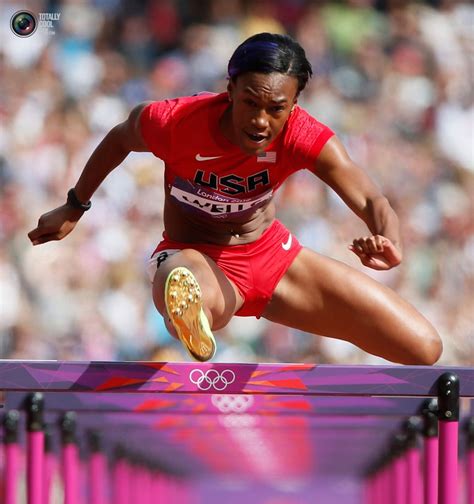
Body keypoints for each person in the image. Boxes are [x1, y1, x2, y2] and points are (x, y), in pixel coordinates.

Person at [28, 32, 442, 365]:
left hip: (273, 258)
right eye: (250, 102)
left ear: (294, 105)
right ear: (230, 88)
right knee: (185, 285)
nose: (261, 121)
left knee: (423, 347)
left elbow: (370, 196)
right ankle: (192, 315)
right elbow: (119, 139)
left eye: (276, 109)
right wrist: (75, 204)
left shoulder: (304, 135)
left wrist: (390, 240)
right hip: (195, 255)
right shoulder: (174, 121)